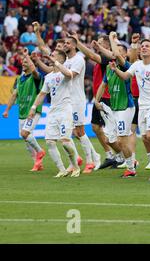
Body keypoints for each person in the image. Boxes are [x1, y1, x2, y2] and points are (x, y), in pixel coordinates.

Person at [112, 39, 150, 181]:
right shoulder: (137, 65)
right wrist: (115, 70)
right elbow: (126, 76)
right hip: (142, 106)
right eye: (142, 46)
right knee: (145, 138)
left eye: (147, 46)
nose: (144, 48)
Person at [28, 50, 80, 178]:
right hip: (52, 112)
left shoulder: (65, 73)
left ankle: (75, 167)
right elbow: (42, 94)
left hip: (65, 110)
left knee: (65, 142)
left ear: (61, 60)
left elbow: (68, 74)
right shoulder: (48, 77)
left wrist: (55, 62)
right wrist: (33, 107)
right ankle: (62, 169)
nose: (50, 57)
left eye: (53, 55)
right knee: (50, 141)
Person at [94, 32, 135, 178]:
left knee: (121, 139)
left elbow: (116, 55)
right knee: (109, 139)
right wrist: (96, 100)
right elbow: (103, 85)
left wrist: (111, 39)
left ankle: (130, 167)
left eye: (120, 52)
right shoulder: (109, 68)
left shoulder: (127, 67)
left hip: (126, 107)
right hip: (114, 107)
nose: (117, 53)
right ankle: (129, 160)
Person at [2, 50, 46, 171]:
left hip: (33, 110)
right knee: (26, 140)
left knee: (25, 134)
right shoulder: (19, 79)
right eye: (23, 61)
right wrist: (7, 110)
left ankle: (40, 151)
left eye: (26, 61)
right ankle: (37, 163)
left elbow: (34, 70)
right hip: (22, 111)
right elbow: (14, 95)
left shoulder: (36, 77)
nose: (23, 63)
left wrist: (27, 56)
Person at [63, 36, 101, 173]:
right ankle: (94, 156)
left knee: (79, 131)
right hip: (67, 100)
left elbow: (69, 75)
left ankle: (90, 161)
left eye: (67, 43)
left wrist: (56, 66)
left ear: (74, 46)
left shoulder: (78, 59)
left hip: (77, 100)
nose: (65, 45)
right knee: (72, 132)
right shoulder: (66, 60)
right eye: (64, 43)